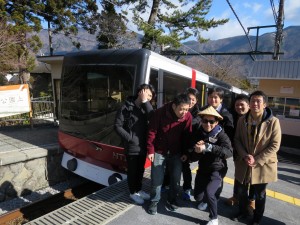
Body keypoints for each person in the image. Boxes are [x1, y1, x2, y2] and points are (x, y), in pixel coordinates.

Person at [232, 90, 282, 225]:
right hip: (244, 161)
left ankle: (257, 218)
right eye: (252, 101)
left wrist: (257, 159)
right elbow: (236, 139)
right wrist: (244, 155)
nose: (254, 104)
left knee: (260, 194)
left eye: (258, 101)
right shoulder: (242, 120)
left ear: (264, 104)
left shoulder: (273, 122)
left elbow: (275, 145)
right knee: (242, 191)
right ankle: (243, 212)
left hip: (263, 164)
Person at [184, 106, 232, 225]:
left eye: (212, 121)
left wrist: (209, 147)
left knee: (210, 192)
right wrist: (194, 152)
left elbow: (229, 152)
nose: (208, 124)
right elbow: (194, 154)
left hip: (217, 168)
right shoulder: (198, 133)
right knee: (198, 197)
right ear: (201, 121)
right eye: (205, 121)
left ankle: (214, 218)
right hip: (203, 169)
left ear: (217, 122)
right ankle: (208, 198)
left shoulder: (221, 134)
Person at [147, 93, 192, 215]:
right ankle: (154, 202)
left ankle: (172, 200)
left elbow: (187, 136)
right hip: (159, 151)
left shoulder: (188, 116)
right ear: (174, 106)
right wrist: (150, 150)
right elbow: (152, 132)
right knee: (157, 180)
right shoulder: (160, 113)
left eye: (187, 109)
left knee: (176, 179)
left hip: (176, 152)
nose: (184, 112)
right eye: (181, 109)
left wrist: (185, 153)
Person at [114, 83, 156, 205]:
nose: (149, 97)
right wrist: (130, 138)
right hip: (132, 146)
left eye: (150, 96)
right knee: (133, 171)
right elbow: (117, 126)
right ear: (140, 91)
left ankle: (138, 189)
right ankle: (133, 193)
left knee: (140, 170)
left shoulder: (145, 107)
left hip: (143, 145)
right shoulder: (126, 106)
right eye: (147, 94)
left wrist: (145, 102)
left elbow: (153, 118)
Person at [198, 87, 234, 210]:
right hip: (204, 150)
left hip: (220, 149)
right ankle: (205, 197)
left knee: (217, 176)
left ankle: (215, 196)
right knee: (205, 174)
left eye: (216, 97)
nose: (213, 99)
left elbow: (230, 133)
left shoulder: (226, 114)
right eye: (210, 96)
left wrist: (220, 144)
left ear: (221, 99)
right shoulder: (203, 110)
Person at [226, 94, 255, 215]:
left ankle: (252, 200)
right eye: (237, 105)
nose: (239, 107)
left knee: (253, 177)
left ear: (248, 105)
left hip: (253, 154)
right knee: (239, 176)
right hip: (238, 152)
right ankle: (236, 196)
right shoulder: (233, 117)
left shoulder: (254, 118)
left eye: (242, 104)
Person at [182, 87, 201, 200]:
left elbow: (194, 123)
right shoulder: (181, 107)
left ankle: (187, 188)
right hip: (177, 143)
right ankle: (167, 183)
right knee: (171, 166)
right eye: (189, 98)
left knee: (185, 167)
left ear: (196, 101)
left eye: (193, 99)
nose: (190, 101)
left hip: (189, 145)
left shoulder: (198, 113)